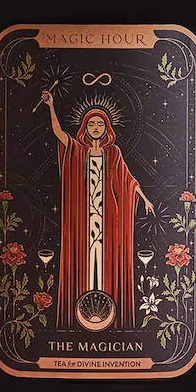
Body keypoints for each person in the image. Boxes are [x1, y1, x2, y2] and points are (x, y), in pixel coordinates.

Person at [40, 89, 154, 329]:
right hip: (83, 217)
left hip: (107, 217)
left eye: (100, 124)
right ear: (85, 127)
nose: (95, 127)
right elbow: (58, 133)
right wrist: (50, 106)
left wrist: (144, 198)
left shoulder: (113, 153)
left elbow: (128, 179)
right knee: (84, 260)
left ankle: (106, 312)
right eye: (91, 123)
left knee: (105, 261)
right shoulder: (77, 150)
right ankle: (83, 312)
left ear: (106, 128)